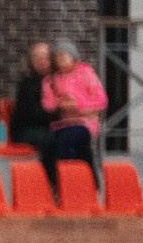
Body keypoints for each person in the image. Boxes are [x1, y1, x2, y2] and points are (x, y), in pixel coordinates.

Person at [43, 39, 108, 175]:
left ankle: (75, 180)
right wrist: (60, 105)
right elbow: (48, 104)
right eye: (57, 56)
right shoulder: (51, 80)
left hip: (84, 124)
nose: (60, 59)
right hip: (61, 124)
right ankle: (60, 182)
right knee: (51, 146)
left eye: (63, 55)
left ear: (73, 57)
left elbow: (101, 101)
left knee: (67, 143)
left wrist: (77, 106)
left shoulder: (86, 73)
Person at [9, 39, 57, 176]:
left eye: (46, 57)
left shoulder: (57, 81)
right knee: (51, 139)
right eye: (38, 58)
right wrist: (57, 113)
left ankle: (89, 185)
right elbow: (31, 114)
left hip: (48, 128)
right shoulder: (27, 85)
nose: (43, 61)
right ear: (32, 62)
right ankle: (50, 182)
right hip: (27, 131)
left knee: (77, 136)